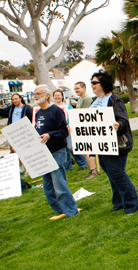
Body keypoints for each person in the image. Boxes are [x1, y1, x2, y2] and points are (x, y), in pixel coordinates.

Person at [90, 70, 138, 215]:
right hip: (102, 145)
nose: (92, 85)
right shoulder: (94, 102)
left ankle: (132, 205)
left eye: (95, 82)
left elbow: (123, 119)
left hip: (117, 144)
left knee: (117, 173)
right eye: (92, 82)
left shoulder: (114, 100)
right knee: (112, 174)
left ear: (103, 84)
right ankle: (118, 203)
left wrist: (119, 125)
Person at [33, 85, 79, 219]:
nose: (35, 96)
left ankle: (72, 211)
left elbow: (64, 131)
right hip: (44, 153)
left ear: (47, 95)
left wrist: (50, 135)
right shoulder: (38, 113)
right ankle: (59, 210)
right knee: (47, 187)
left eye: (38, 93)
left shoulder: (56, 111)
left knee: (59, 185)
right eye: (34, 94)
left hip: (57, 152)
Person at [0, 93, 33, 184]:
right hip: (13, 134)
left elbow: (32, 120)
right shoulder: (11, 109)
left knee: (25, 152)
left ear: (20, 99)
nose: (14, 101)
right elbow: (0, 112)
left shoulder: (27, 109)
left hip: (24, 133)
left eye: (16, 99)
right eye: (13, 99)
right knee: (14, 152)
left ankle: (29, 170)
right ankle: (20, 168)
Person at [53, 89, 89, 171]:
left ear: (62, 96)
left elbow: (74, 117)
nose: (57, 97)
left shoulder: (67, 106)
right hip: (58, 132)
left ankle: (83, 163)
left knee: (71, 147)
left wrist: (70, 125)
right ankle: (68, 166)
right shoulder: (53, 107)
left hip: (68, 131)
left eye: (59, 95)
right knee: (64, 149)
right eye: (55, 95)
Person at [74, 81, 98, 180]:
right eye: (75, 89)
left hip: (87, 127)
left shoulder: (87, 99)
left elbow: (86, 114)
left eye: (78, 88)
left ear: (84, 88)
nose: (76, 90)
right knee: (85, 150)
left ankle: (93, 170)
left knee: (88, 150)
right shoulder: (80, 100)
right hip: (81, 127)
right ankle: (92, 169)